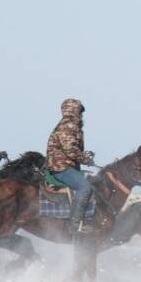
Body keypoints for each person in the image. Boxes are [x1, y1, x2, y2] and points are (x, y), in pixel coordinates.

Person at [45, 98, 96, 231]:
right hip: (61, 167)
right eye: (80, 111)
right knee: (85, 187)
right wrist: (86, 159)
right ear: (74, 111)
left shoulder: (70, 125)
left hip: (66, 165)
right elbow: (70, 150)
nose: (81, 115)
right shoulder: (69, 126)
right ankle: (75, 225)